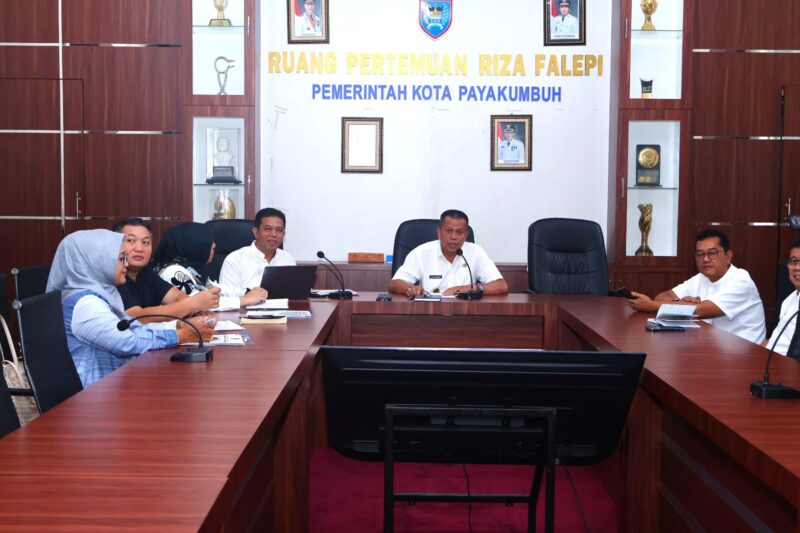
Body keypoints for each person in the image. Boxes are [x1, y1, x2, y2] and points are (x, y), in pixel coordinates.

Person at [45, 229, 213, 387]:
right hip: (96, 396)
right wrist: (181, 335)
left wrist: (177, 326)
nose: (126, 264)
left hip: (117, 385)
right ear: (95, 261)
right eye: (120, 259)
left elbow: (134, 328)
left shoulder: (103, 292)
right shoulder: (86, 304)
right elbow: (127, 343)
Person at [627, 229, 766, 344]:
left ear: (728, 256)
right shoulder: (701, 278)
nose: (705, 259)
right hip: (712, 348)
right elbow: (662, 297)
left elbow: (702, 310)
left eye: (712, 253)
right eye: (700, 254)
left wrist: (652, 306)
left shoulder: (741, 280)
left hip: (745, 355)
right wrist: (680, 302)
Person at [113, 218, 221, 320]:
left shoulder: (145, 273)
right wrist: (192, 305)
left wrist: (196, 311)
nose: (140, 249)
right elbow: (136, 317)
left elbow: (175, 296)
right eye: (131, 241)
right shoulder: (114, 276)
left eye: (145, 242)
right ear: (115, 244)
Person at [389, 210, 509, 297]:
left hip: (465, 313)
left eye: (459, 232)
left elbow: (501, 286)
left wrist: (468, 289)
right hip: (429, 312)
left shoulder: (475, 252)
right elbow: (395, 284)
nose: (453, 237)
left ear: (466, 235)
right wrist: (411, 288)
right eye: (448, 231)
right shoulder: (422, 253)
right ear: (439, 232)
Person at [152, 222, 267, 309]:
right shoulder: (173, 272)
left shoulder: (191, 269)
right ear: (195, 245)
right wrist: (244, 300)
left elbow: (215, 288)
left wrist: (247, 292)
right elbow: (201, 304)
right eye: (209, 242)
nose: (214, 246)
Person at [220, 208, 296, 295]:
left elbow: (294, 293)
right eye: (267, 229)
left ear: (283, 235)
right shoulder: (234, 260)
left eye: (279, 230)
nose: (273, 234)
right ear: (256, 232)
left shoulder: (287, 258)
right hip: (246, 304)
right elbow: (226, 297)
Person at [763, 240, 800, 356]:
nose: (797, 267)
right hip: (769, 359)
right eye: (793, 261)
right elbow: (776, 340)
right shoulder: (789, 299)